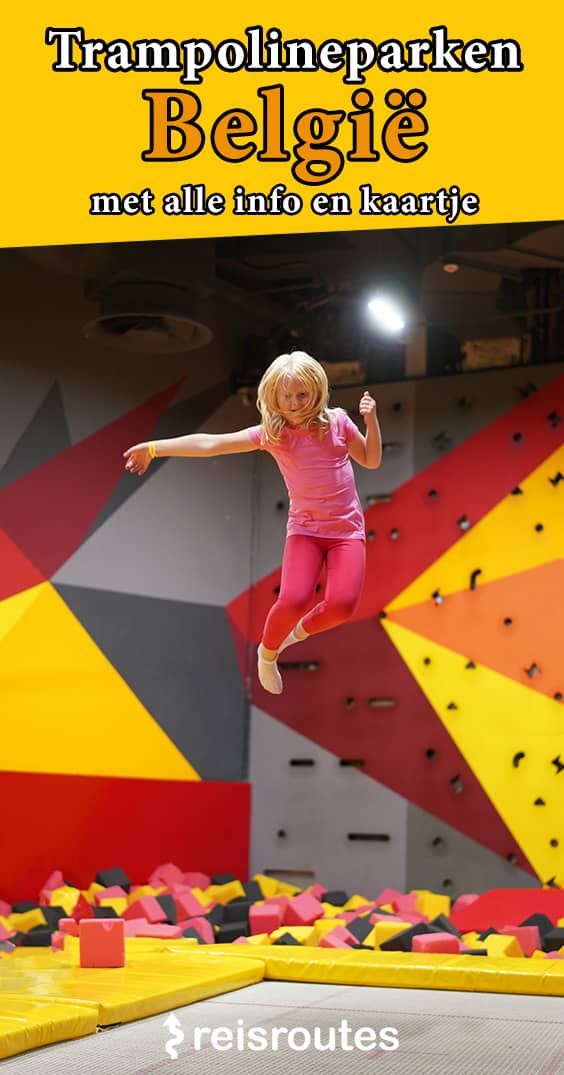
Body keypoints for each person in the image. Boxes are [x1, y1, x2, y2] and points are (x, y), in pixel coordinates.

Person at [123, 352, 382, 694]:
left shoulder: (337, 423)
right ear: (273, 398)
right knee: (292, 599)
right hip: (305, 531)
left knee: (341, 606)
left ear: (317, 391)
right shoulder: (273, 435)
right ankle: (267, 653)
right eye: (286, 398)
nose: (294, 404)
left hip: (346, 531)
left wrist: (372, 421)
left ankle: (292, 636)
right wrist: (154, 448)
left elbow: (372, 460)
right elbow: (211, 444)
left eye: (302, 395)